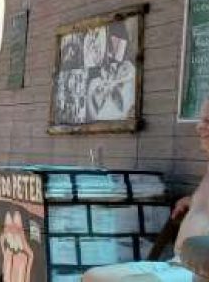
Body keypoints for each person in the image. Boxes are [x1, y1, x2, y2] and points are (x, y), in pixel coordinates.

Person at [82, 98, 209, 281]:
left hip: (197, 272)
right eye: (201, 120)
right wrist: (193, 201)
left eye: (207, 121)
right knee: (92, 276)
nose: (198, 127)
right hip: (177, 263)